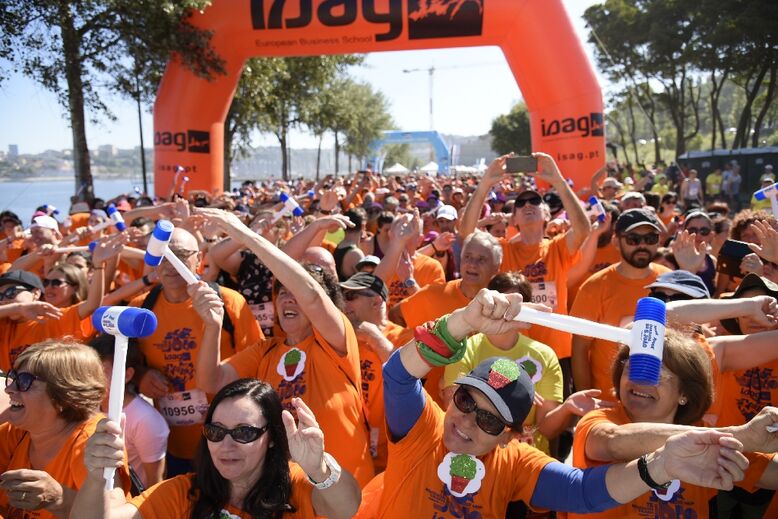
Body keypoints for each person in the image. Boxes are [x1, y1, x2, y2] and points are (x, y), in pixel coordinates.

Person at [356, 289, 751, 518]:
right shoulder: (423, 430)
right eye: (465, 400)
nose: (467, 422)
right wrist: (463, 322)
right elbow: (398, 375)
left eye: (490, 421)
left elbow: (582, 492)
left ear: (511, 436)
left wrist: (662, 465)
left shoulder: (515, 462)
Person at [193, 208, 375, 488]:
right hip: (289, 494)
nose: (288, 300)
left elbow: (311, 296)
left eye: (295, 294)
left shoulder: (336, 340)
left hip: (347, 492)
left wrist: (246, 234)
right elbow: (210, 381)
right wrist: (213, 326)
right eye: (282, 294)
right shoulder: (264, 351)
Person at [72, 379, 361, 519]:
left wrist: (318, 469)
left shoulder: (296, 484)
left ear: (272, 437)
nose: (226, 444)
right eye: (216, 431)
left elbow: (348, 507)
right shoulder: (184, 492)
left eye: (244, 432)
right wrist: (97, 475)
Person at [569, 330, 778, 519]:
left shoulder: (709, 436)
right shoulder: (599, 420)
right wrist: (739, 436)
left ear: (684, 393)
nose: (641, 381)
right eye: (633, 368)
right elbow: (613, 442)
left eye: (656, 374)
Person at [128, 226, 261, 474]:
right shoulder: (141, 309)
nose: (171, 265)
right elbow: (126, 365)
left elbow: (259, 364)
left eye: (180, 255)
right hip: (171, 445)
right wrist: (141, 377)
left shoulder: (228, 302)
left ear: (199, 259)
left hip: (229, 443)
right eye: (163, 256)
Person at [0, 339, 130, 518]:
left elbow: (112, 514)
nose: (9, 389)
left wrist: (60, 499)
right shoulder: (17, 432)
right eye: (14, 377)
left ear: (63, 397)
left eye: (24, 381)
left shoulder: (93, 442)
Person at [571, 208, 671, 398]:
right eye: (633, 239)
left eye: (650, 238)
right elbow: (580, 350)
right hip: (608, 401)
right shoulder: (594, 286)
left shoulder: (669, 281)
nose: (642, 245)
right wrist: (588, 399)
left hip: (659, 401)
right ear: (616, 242)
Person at [339, 272, 413, 473]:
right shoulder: (344, 337)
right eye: (342, 296)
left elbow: (407, 375)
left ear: (376, 302)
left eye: (351, 296)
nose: (344, 302)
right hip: (352, 448)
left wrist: (373, 336)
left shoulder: (404, 336)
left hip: (391, 455)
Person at [89, 334, 170, 489]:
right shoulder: (89, 408)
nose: (91, 379)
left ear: (127, 375)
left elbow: (155, 484)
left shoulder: (146, 420)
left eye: (101, 372)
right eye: (88, 371)